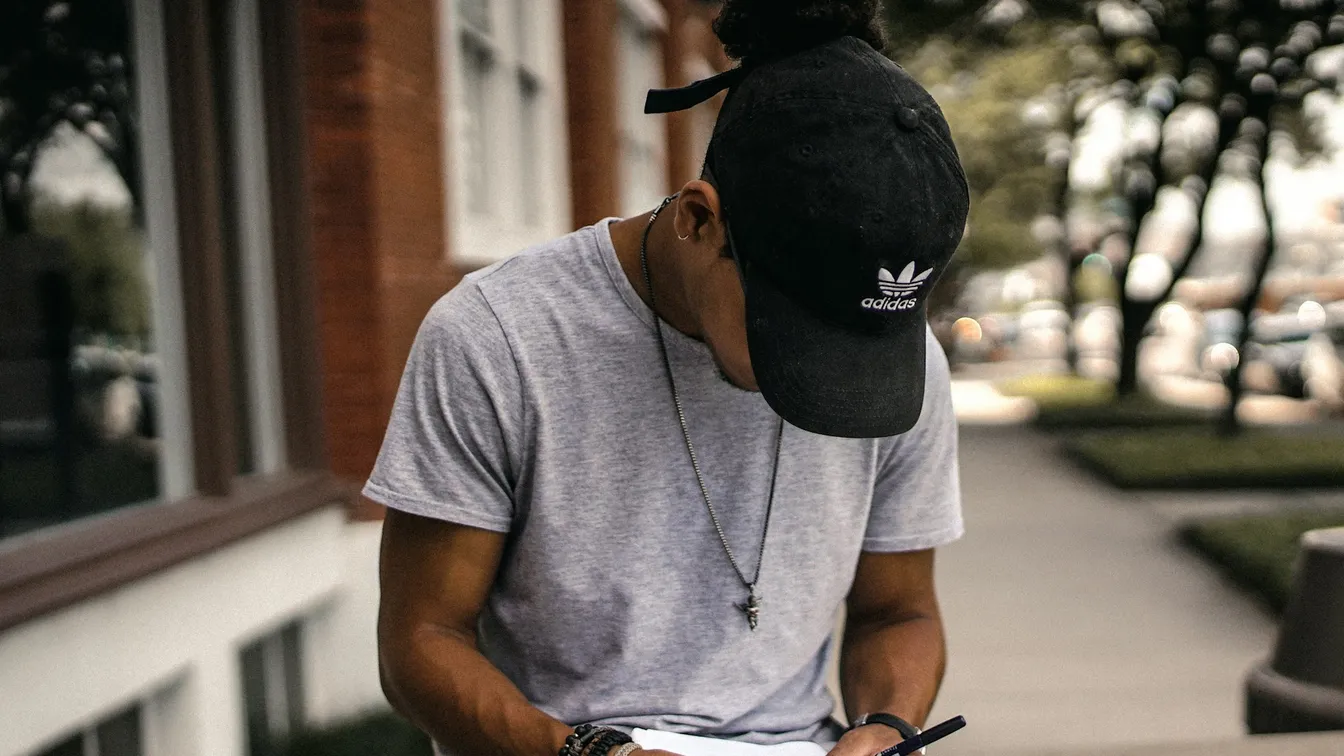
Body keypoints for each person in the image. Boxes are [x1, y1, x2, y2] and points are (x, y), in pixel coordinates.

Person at [368, 1, 971, 754]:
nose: (826, 374)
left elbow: (898, 611)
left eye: (857, 339)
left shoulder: (910, 364)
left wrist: (885, 728)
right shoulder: (498, 338)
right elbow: (421, 640)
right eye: (795, 332)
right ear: (698, 221)